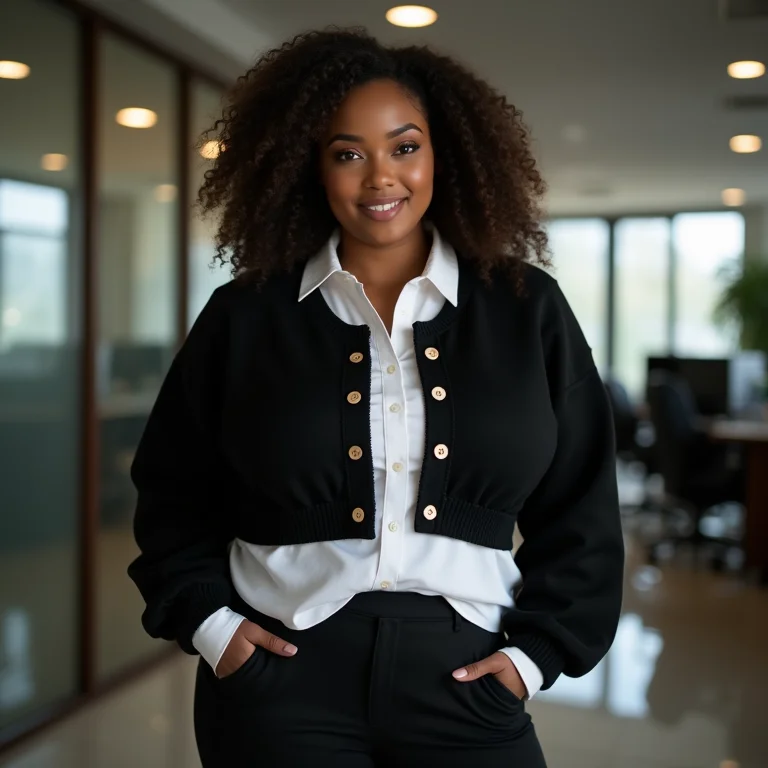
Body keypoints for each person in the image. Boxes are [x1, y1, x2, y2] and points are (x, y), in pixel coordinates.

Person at [127, 27, 624, 767]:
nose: (380, 177)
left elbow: (583, 504)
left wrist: (533, 660)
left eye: (404, 146)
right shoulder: (245, 314)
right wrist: (213, 630)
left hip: (470, 677)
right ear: (312, 167)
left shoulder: (528, 310)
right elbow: (171, 493)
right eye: (348, 153)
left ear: (442, 154)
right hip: (278, 682)